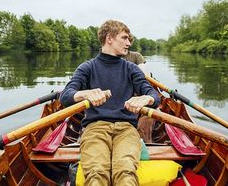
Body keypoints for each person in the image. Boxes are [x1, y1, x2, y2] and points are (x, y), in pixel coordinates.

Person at [60, 20, 160, 186]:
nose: (129, 43)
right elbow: (65, 96)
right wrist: (85, 94)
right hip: (95, 128)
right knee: (96, 173)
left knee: (126, 172)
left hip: (126, 129)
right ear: (109, 38)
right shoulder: (87, 68)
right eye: (125, 38)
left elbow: (154, 96)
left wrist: (147, 98)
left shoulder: (131, 68)